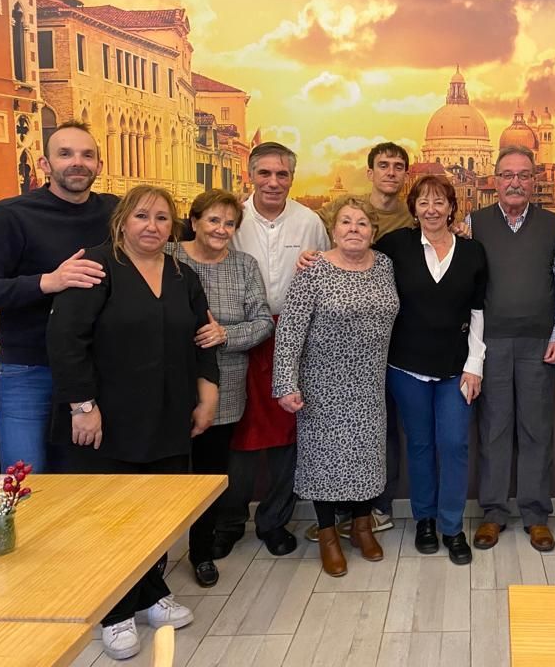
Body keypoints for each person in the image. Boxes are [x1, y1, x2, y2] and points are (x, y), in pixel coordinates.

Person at [46, 185, 218, 660]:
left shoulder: (182, 273)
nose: (152, 226)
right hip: (106, 419)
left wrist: (208, 392)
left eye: (163, 219)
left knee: (155, 518)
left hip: (167, 415)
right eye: (142, 216)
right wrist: (82, 405)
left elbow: (204, 335)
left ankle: (149, 593)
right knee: (109, 520)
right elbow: (65, 340)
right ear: (123, 220)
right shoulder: (97, 268)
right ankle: (115, 612)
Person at [272, 197, 399, 578]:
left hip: (369, 381)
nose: (354, 229)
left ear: (373, 232)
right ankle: (328, 534)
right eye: (346, 222)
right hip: (321, 382)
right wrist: (285, 383)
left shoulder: (385, 266)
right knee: (323, 459)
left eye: (362, 223)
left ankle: (361, 526)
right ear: (333, 230)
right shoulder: (314, 269)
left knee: (366, 455)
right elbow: (290, 330)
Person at [214, 142, 329, 559]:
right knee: (238, 433)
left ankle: (274, 521)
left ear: (292, 179)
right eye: (265, 173)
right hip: (237, 341)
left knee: (286, 435)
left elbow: (323, 279)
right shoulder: (232, 219)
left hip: (293, 340)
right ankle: (228, 522)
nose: (273, 182)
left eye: (282, 174)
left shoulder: (310, 222)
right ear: (250, 176)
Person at [0, 120, 117, 472]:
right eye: (65, 154)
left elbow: (177, 238)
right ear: (45, 164)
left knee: (83, 486)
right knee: (24, 481)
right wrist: (48, 281)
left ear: (99, 166)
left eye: (87, 155)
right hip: (29, 370)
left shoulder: (115, 212)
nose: (77, 162)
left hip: (93, 372)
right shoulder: (10, 215)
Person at [305, 141, 414, 542]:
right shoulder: (347, 212)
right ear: (369, 172)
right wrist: (310, 258)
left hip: (390, 341)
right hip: (334, 353)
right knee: (332, 433)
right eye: (383, 165)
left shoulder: (414, 217)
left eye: (398, 166)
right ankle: (333, 520)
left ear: (406, 174)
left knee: (381, 431)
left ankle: (374, 511)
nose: (390, 172)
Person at [377, 175, 487, 566]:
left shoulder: (473, 252)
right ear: (414, 208)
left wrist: (475, 366)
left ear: (452, 207)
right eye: (423, 201)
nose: (431, 209)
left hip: (456, 369)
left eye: (439, 201)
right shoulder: (394, 247)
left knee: (454, 445)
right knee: (420, 446)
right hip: (406, 367)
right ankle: (425, 520)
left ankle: (452, 526)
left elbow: (478, 314)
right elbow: (352, 261)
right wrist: (314, 256)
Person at [170, 189, 274, 587]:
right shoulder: (166, 257)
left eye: (229, 223)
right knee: (166, 474)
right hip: (169, 382)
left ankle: (201, 553)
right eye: (213, 220)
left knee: (211, 473)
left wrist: (223, 334)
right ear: (194, 221)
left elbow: (262, 322)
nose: (221, 229)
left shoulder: (244, 266)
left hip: (226, 384)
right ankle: (154, 561)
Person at [468, 144, 555, 554]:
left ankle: (536, 515)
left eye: (524, 175)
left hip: (539, 343)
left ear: (534, 180)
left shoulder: (554, 225)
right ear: (495, 179)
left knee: (536, 430)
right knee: (494, 430)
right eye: (507, 175)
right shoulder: (474, 223)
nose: (515, 182)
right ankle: (492, 513)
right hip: (491, 343)